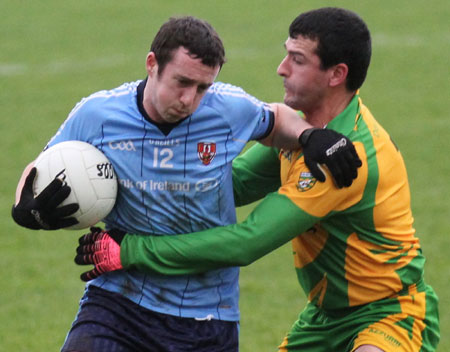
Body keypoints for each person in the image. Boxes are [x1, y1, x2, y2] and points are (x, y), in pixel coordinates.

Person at [75, 8, 440, 352]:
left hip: (389, 312)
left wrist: (130, 250)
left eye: (297, 60)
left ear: (336, 75)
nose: (281, 69)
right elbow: (225, 186)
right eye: (286, 54)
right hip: (324, 319)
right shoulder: (307, 134)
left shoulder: (344, 156)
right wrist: (132, 176)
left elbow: (247, 242)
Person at [12, 15, 361, 352]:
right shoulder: (97, 115)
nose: (189, 101)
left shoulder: (228, 109)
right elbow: (43, 166)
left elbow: (274, 119)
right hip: (118, 300)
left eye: (202, 88)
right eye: (182, 82)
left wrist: (310, 135)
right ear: (152, 64)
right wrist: (25, 207)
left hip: (207, 315)